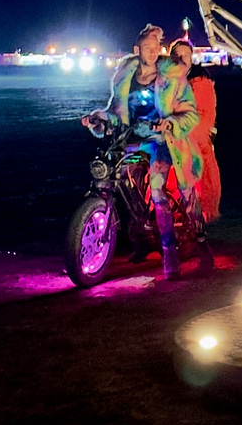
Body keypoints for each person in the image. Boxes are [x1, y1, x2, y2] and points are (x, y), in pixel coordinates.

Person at [81, 23, 213, 279]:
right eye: (147, 48)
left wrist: (170, 123)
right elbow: (116, 113)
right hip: (132, 140)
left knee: (162, 190)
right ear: (137, 49)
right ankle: (139, 235)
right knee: (116, 177)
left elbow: (190, 114)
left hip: (166, 142)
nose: (152, 52)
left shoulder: (173, 77)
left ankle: (182, 250)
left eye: (156, 48)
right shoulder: (125, 78)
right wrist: (99, 119)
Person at [170, 39, 222, 224]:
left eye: (186, 55)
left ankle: (195, 218)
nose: (181, 58)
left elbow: (203, 115)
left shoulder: (200, 80)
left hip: (192, 137)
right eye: (177, 55)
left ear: (191, 58)